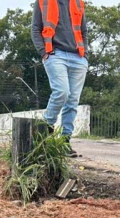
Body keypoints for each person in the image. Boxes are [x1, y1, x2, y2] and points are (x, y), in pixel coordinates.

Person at [32, 0, 88, 157]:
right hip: (55, 54)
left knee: (72, 101)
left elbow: (83, 30)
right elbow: (35, 29)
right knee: (62, 92)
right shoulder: (43, 2)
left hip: (78, 57)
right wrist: (43, 52)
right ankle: (44, 130)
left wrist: (85, 55)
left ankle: (64, 143)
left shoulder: (78, 3)